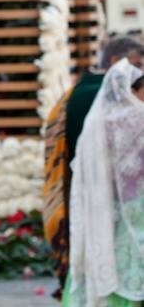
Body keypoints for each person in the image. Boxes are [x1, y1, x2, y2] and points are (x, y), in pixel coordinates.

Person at [43, 36, 144, 299]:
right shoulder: (117, 109)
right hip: (120, 205)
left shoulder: (79, 96)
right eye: (138, 64)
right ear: (116, 62)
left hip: (88, 195)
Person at [64, 59, 144, 307]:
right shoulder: (137, 119)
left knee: (114, 262)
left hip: (110, 208)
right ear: (132, 90)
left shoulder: (100, 122)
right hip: (137, 208)